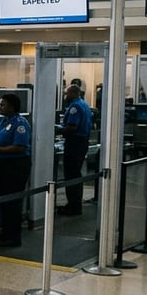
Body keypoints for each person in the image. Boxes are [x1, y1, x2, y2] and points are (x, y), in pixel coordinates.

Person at [0, 93, 31, 247]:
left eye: (2, 104)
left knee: (13, 202)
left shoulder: (20, 123)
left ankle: (14, 237)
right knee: (4, 200)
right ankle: (5, 232)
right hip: (3, 165)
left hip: (16, 166)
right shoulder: (4, 122)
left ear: (12, 107)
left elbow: (19, 147)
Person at [57, 85, 91, 216]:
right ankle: (74, 204)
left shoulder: (75, 107)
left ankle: (73, 206)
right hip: (82, 142)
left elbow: (72, 127)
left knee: (71, 175)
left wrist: (58, 130)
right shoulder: (84, 104)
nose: (66, 96)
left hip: (75, 143)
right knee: (75, 174)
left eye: (67, 93)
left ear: (73, 93)